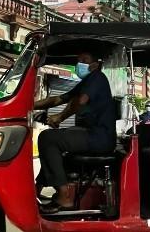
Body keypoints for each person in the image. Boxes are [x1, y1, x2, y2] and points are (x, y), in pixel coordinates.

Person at [34, 51, 116, 213]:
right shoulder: (86, 82)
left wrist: (60, 117)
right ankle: (37, 188)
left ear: (95, 64)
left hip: (99, 137)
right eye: (78, 60)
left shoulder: (97, 78)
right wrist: (29, 105)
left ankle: (64, 197)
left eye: (84, 59)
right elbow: (58, 99)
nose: (79, 63)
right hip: (91, 134)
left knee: (48, 138)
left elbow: (81, 101)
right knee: (54, 143)